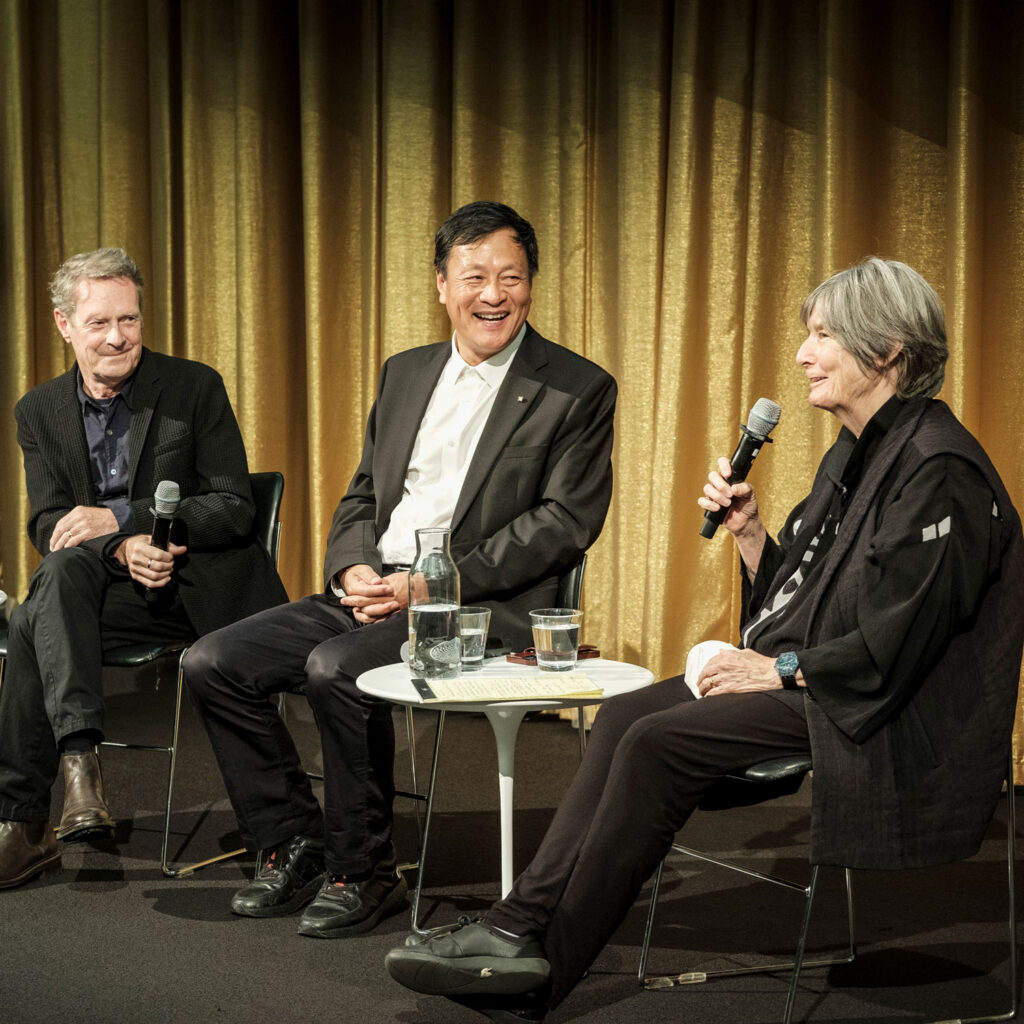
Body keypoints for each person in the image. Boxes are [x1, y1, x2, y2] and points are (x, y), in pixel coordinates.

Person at [384, 257, 1024, 1023]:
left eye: (823, 336)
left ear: (886, 351)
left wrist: (780, 670)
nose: (802, 355)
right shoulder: (858, 448)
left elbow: (899, 641)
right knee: (623, 716)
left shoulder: (936, 466)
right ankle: (514, 926)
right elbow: (815, 596)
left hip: (880, 705)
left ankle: (541, 974)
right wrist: (753, 536)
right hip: (826, 675)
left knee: (659, 743)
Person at [182, 201, 618, 940]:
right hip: (376, 589)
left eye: (510, 276)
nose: (493, 294)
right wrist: (352, 567)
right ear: (442, 285)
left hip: (481, 606)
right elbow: (363, 494)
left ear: (532, 286)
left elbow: (561, 525)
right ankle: (293, 841)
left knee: (333, 669)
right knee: (214, 660)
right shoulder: (407, 371)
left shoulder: (576, 388)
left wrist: (426, 585)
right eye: (474, 275)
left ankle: (365, 871)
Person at [0, 247, 288, 890]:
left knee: (26, 624)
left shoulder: (193, 386)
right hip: (104, 591)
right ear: (63, 325)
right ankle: (75, 766)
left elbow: (234, 509)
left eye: (128, 320)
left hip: (194, 585)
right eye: (99, 322)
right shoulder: (39, 410)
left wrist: (125, 520)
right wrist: (116, 548)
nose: (117, 337)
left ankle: (27, 822)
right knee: (60, 577)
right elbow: (48, 525)